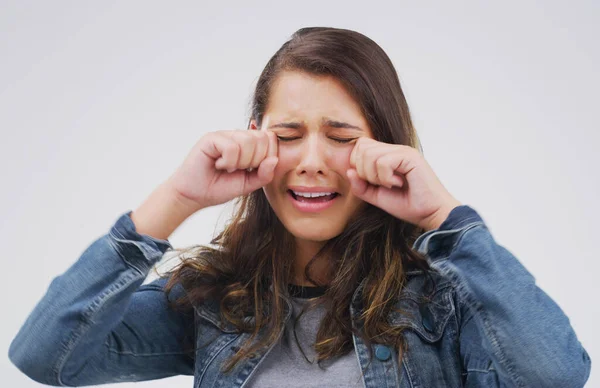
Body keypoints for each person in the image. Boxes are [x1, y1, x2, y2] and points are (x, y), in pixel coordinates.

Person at [8, 27, 591, 388]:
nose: (311, 161)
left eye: (340, 136)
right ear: (255, 137)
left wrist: (445, 219)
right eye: (289, 134)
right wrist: (176, 200)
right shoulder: (215, 300)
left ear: (385, 146)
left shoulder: (449, 304)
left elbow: (554, 376)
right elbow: (44, 357)